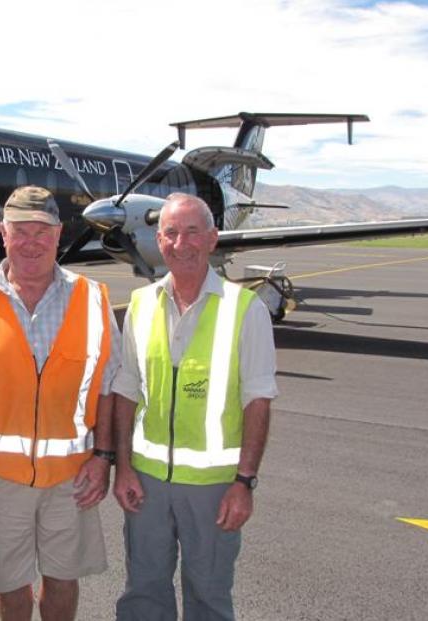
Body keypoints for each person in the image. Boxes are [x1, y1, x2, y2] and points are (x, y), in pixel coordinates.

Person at [0, 185, 121, 621]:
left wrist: (103, 458)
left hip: (72, 474)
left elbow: (108, 388)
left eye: (42, 231)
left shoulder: (93, 298)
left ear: (59, 234)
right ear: (2, 233)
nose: (32, 242)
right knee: (10, 586)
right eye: (21, 231)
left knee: (63, 580)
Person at [112, 193, 278, 621]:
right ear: (158, 240)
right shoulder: (141, 304)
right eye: (170, 233)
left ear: (212, 239)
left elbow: (258, 400)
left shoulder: (246, 309)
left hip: (214, 487)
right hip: (147, 483)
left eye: (191, 232)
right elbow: (127, 389)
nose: (180, 243)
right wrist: (124, 468)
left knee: (208, 596)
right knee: (143, 593)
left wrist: (244, 482)